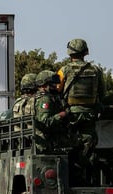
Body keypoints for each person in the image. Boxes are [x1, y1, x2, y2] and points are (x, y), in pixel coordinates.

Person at [57, 38, 105, 182]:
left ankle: (72, 176)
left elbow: (57, 91)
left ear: (69, 53)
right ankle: (89, 178)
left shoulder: (64, 70)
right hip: (90, 114)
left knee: (67, 146)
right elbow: (102, 93)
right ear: (85, 52)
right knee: (89, 146)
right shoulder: (96, 70)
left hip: (70, 114)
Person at [33, 70, 68, 153]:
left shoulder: (38, 97)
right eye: (52, 84)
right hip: (45, 142)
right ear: (44, 85)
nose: (55, 87)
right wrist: (61, 115)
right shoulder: (45, 99)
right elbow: (44, 122)